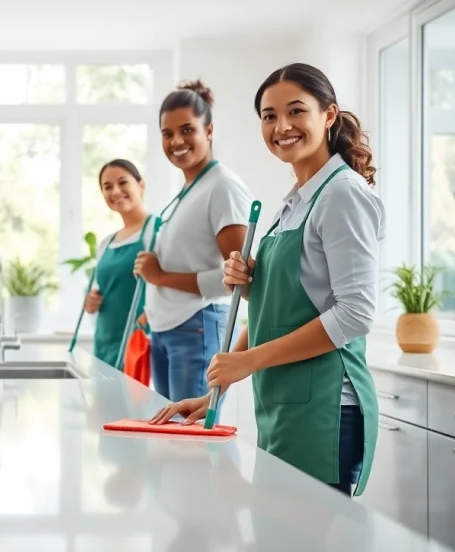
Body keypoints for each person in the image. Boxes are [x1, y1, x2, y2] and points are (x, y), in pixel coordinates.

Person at [151, 63, 382, 498]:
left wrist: (250, 362)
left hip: (327, 409)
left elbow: (356, 313)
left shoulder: (342, 193)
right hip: (284, 405)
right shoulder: (293, 203)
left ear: (328, 115)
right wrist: (214, 393)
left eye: (296, 111)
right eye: (269, 116)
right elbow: (276, 312)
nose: (282, 126)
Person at [133, 80, 253, 411]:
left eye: (187, 130)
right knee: (173, 440)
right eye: (167, 133)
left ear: (209, 130)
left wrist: (160, 278)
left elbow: (240, 279)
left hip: (196, 327)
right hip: (167, 331)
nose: (176, 141)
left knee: (192, 444)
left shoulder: (222, 187)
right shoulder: (188, 191)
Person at [83, 159, 157, 368]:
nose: (115, 191)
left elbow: (165, 284)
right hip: (104, 343)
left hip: (138, 343)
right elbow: (104, 289)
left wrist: (146, 321)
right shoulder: (106, 243)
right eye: (107, 187)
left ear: (141, 185)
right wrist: (91, 302)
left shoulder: (156, 229)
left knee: (138, 400)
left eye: (123, 182)